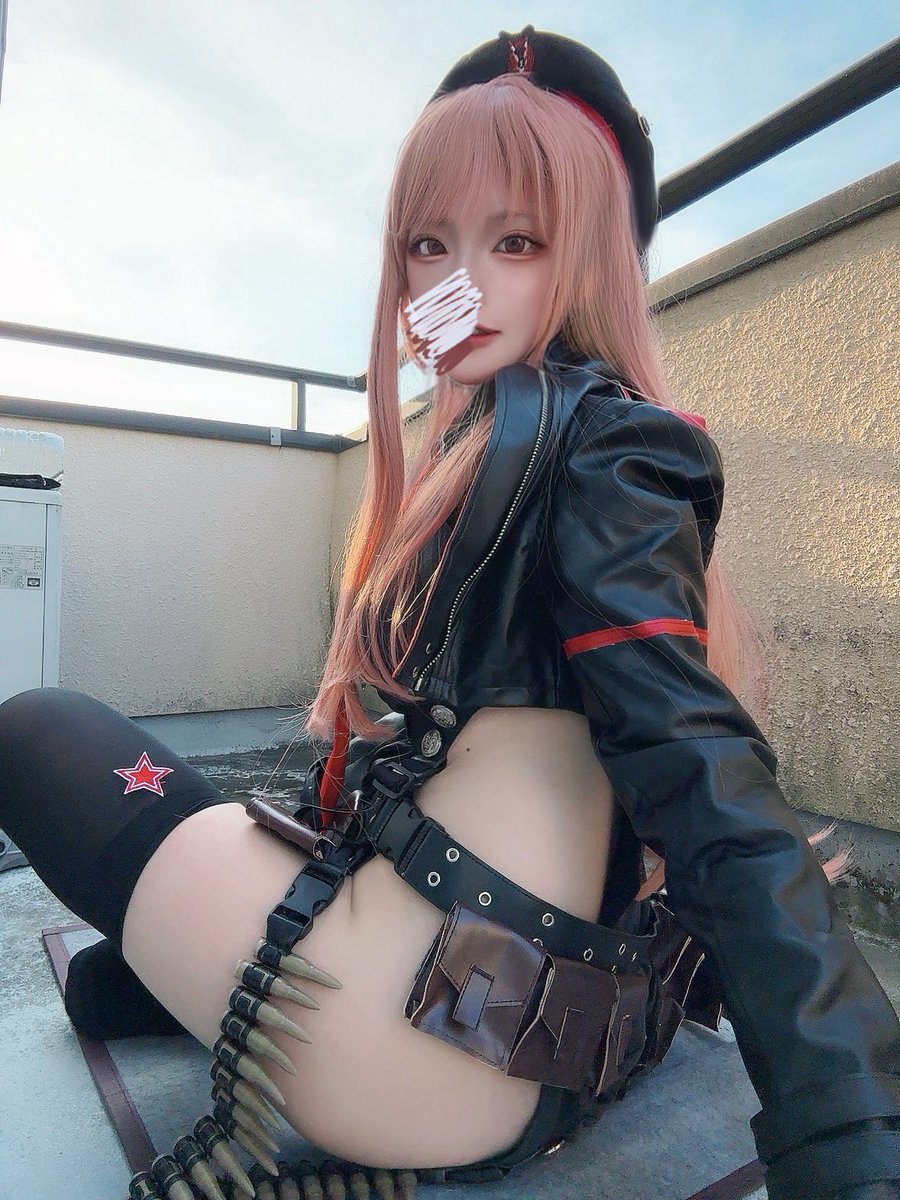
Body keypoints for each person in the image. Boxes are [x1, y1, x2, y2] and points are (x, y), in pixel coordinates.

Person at [0, 25, 897, 1200]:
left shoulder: (593, 442)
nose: (453, 285)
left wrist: (851, 1127)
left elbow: (705, 773)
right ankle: (199, 993)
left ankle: (254, 1036)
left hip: (408, 1038)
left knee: (42, 728)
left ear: (591, 255)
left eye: (515, 241)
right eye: (428, 245)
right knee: (122, 953)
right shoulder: (543, 440)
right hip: (539, 1045)